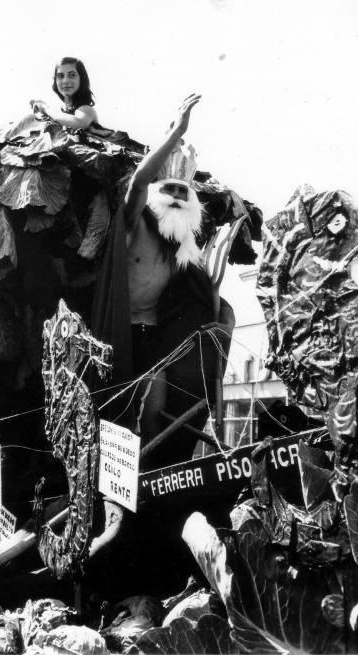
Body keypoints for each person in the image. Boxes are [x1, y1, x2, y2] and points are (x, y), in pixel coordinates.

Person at [92, 94, 235, 469]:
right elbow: (140, 181)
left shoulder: (184, 244)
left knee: (160, 403)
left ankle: (154, 472)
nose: (175, 196)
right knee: (129, 410)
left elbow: (204, 293)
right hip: (121, 335)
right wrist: (175, 134)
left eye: (182, 191)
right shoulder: (136, 221)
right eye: (169, 189)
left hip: (159, 336)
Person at [30, 57, 98, 131]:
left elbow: (78, 123)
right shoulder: (60, 114)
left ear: (81, 79)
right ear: (56, 81)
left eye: (72, 75)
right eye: (60, 76)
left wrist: (44, 108)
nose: (65, 81)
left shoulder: (87, 110)